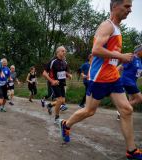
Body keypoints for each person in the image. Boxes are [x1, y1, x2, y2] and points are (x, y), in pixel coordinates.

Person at [59, 1, 142, 159]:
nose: (130, 10)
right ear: (115, 6)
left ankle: (131, 150)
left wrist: (119, 59)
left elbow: (108, 52)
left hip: (113, 77)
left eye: (131, 6)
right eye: (127, 6)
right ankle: (66, 124)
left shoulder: (117, 28)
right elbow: (96, 50)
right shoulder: (107, 25)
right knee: (89, 111)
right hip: (99, 78)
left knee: (127, 110)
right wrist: (121, 56)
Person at [42, 46, 72, 124]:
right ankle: (56, 118)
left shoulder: (65, 62)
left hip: (62, 83)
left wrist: (69, 75)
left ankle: (50, 105)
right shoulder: (53, 61)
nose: (64, 52)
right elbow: (44, 73)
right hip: (55, 83)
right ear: (58, 52)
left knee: (62, 101)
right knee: (59, 100)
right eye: (62, 51)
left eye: (65, 51)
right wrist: (52, 81)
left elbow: (65, 72)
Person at [116, 45, 142, 120]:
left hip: (132, 82)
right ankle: (121, 109)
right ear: (139, 51)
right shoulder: (132, 57)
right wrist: (114, 76)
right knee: (139, 99)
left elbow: (138, 72)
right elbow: (121, 67)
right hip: (127, 81)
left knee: (131, 99)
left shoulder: (139, 60)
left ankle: (124, 114)